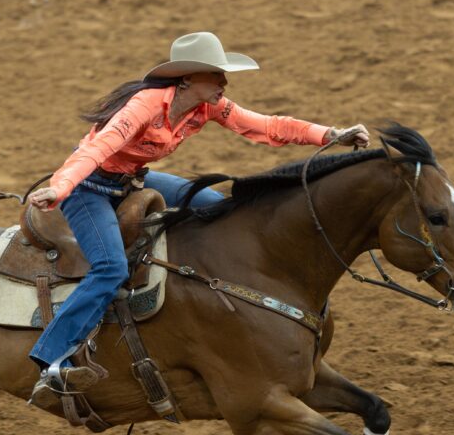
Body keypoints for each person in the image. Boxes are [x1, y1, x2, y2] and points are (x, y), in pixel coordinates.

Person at [27, 32, 369, 406]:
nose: (224, 81)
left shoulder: (204, 107)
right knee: (109, 269)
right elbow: (100, 147)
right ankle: (50, 360)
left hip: (132, 180)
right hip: (88, 188)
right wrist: (60, 188)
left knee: (215, 209)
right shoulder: (145, 105)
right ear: (187, 79)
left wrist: (331, 135)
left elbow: (266, 126)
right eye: (216, 74)